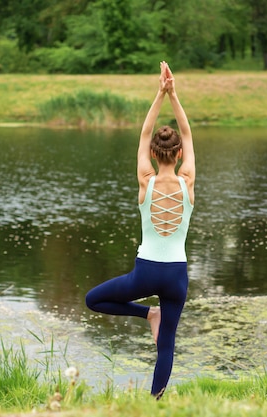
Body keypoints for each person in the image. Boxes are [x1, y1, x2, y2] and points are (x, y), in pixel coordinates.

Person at [85, 61, 195, 399]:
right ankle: (155, 403)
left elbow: (145, 133)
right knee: (167, 347)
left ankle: (149, 314)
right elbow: (188, 133)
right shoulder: (187, 181)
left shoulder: (145, 181)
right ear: (178, 154)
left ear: (151, 154)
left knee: (94, 299)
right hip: (176, 276)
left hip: (145, 273)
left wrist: (159, 94)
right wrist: (173, 94)